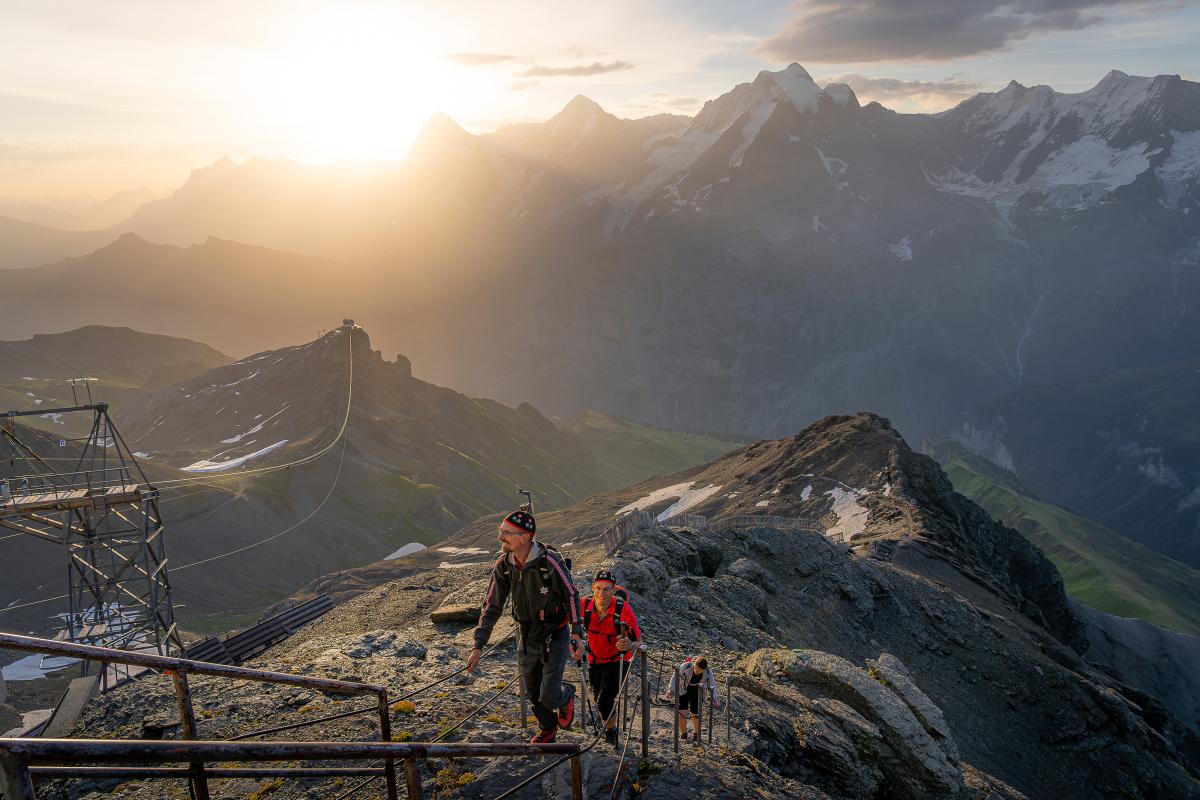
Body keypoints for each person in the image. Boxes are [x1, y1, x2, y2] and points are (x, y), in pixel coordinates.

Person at [467, 509, 584, 743]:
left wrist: (577, 632)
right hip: (527, 633)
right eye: (501, 531)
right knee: (532, 690)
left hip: (555, 633)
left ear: (525, 537)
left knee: (549, 696)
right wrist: (478, 644)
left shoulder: (549, 561)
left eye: (506, 533)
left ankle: (566, 695)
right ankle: (548, 729)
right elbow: (492, 605)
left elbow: (571, 595)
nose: (501, 537)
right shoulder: (504, 565)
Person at [582, 569, 642, 746]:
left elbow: (639, 641)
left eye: (607, 589)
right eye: (598, 588)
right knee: (598, 698)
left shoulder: (623, 609)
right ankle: (610, 726)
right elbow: (569, 622)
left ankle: (610, 732)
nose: (602, 593)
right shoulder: (584, 605)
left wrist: (629, 645)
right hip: (595, 659)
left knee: (604, 701)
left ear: (614, 590)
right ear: (593, 587)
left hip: (618, 660)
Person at [667, 656, 720, 743]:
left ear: (704, 669)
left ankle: (696, 734)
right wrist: (671, 689)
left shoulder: (708, 672)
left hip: (697, 694)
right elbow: (675, 675)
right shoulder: (685, 666)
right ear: (694, 663)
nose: (696, 671)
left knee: (695, 715)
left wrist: (714, 698)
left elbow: (712, 685)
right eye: (695, 668)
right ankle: (683, 734)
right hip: (683, 691)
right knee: (681, 714)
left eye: (699, 670)